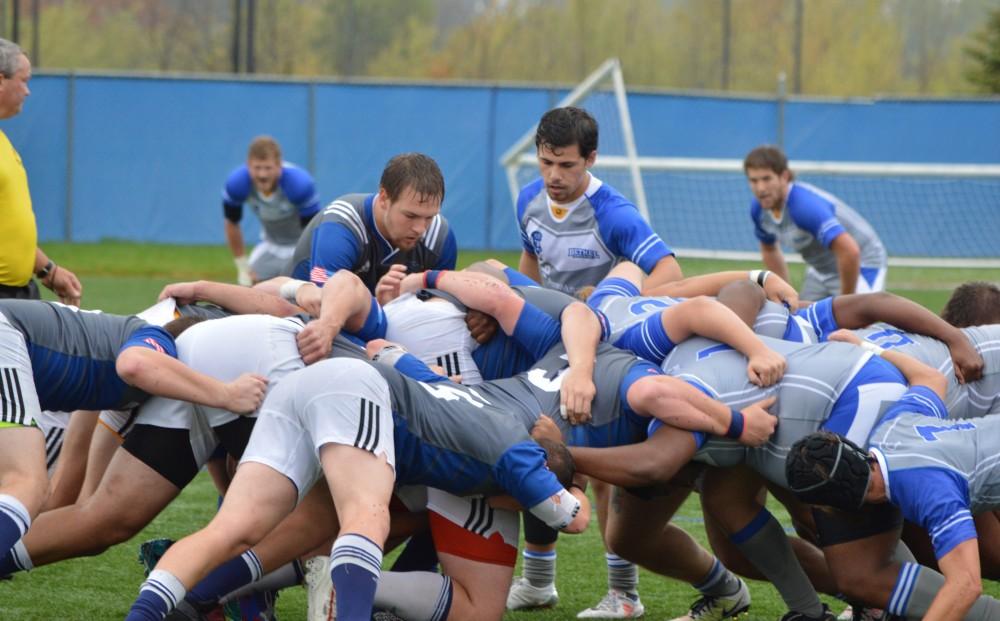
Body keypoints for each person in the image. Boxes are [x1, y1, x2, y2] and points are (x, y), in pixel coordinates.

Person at [786, 350, 1000, 620]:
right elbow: (930, 378)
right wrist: (867, 349)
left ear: (839, 507)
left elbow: (966, 584)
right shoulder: (889, 429)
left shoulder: (926, 490)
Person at [516, 106, 681, 296]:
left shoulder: (614, 213)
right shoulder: (528, 199)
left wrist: (613, 299)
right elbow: (530, 255)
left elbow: (671, 271)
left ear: (590, 159)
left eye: (566, 165)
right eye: (546, 162)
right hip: (553, 318)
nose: (554, 175)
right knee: (487, 271)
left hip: (599, 321)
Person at [287, 152, 457, 304]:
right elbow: (324, 300)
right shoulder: (341, 225)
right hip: (303, 319)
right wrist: (381, 306)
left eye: (429, 217)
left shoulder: (439, 237)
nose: (420, 229)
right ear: (384, 198)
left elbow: (441, 313)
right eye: (410, 216)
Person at [744, 145, 887, 300]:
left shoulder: (804, 207)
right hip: (821, 270)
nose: (761, 188)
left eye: (766, 179)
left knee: (857, 321)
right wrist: (784, 293)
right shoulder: (758, 209)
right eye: (754, 180)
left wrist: (846, 304)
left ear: (784, 176)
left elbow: (850, 252)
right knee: (798, 320)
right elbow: (769, 250)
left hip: (861, 263)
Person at [0, 38, 81, 305]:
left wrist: (47, 270)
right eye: (24, 80)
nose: (28, 91)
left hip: (20, 292)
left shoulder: (4, 140)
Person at [222, 135, 321, 285]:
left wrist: (309, 262)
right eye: (257, 168)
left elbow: (313, 229)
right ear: (248, 165)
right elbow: (232, 223)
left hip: (299, 247)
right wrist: (242, 266)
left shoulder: (298, 185)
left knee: (304, 291)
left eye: (268, 168)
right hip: (270, 245)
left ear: (279, 166)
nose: (262, 175)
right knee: (248, 285)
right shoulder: (237, 184)